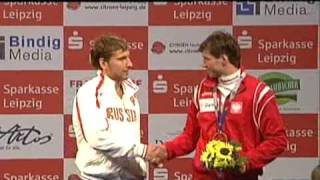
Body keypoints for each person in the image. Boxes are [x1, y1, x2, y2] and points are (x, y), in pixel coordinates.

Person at [153, 31, 288, 180]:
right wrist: (166, 150)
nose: (203, 64)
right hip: (203, 177)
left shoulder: (258, 93)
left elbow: (277, 140)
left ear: (224, 59)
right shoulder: (201, 90)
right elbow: (190, 136)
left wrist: (246, 162)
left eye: (207, 59)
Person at [72, 34, 159, 180]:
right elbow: (97, 138)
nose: (129, 64)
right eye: (122, 59)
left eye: (128, 57)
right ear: (103, 63)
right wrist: (143, 151)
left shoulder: (131, 93)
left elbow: (131, 139)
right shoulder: (89, 92)